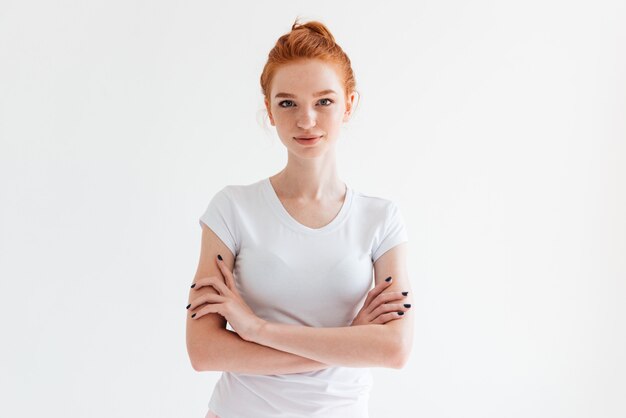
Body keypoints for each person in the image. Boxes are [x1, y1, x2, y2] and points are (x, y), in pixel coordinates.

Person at [186, 18, 414, 418]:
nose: (306, 120)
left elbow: (394, 349)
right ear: (270, 112)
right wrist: (349, 341)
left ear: (349, 104)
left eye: (324, 101)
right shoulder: (231, 210)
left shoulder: (381, 220)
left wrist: (256, 330)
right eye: (287, 103)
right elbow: (204, 351)